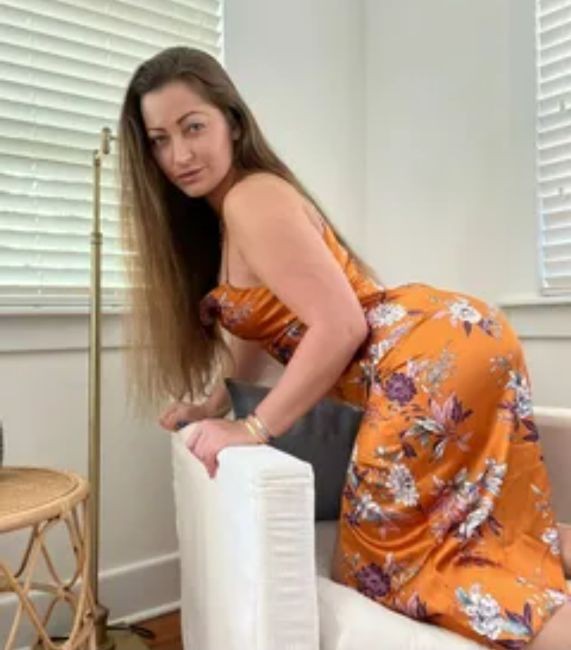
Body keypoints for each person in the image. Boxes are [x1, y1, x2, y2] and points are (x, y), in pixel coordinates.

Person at [118, 46, 570, 649]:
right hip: (451, 339)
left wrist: (254, 428)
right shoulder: (233, 211)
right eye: (159, 139)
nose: (179, 155)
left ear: (232, 122)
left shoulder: (251, 199)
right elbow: (256, 330)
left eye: (193, 127)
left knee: (380, 573)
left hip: (426, 357)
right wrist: (210, 406)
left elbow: (340, 326)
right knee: (466, 535)